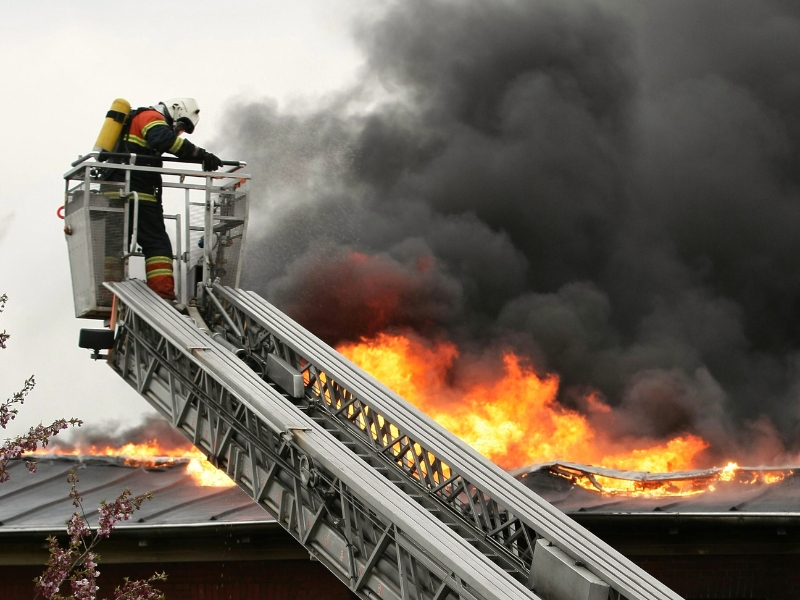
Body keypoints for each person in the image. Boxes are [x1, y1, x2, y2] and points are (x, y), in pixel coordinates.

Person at [107, 98, 223, 300]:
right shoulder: (151, 117)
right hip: (137, 194)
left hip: (116, 192)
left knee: (115, 246)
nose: (178, 131)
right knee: (157, 244)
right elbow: (164, 140)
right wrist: (201, 155)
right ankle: (163, 297)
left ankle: (108, 292)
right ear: (176, 109)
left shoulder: (138, 119)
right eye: (180, 125)